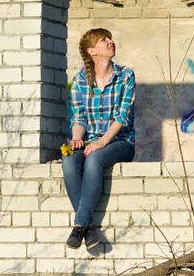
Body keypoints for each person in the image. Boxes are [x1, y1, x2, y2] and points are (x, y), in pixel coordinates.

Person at [62, 28, 136, 249]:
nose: (110, 42)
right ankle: (89, 229)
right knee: (68, 160)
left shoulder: (126, 75)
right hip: (90, 142)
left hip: (120, 142)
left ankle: (79, 225)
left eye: (110, 38)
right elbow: (78, 117)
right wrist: (77, 138)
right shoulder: (79, 81)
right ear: (92, 50)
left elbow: (124, 115)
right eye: (104, 40)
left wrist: (103, 141)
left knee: (94, 159)